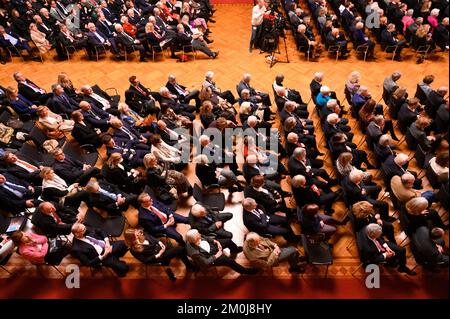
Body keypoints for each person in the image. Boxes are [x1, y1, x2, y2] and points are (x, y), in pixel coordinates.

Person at [124, 227, 196, 280]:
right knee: (181, 249)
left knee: (180, 252)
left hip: (162, 247)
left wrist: (159, 242)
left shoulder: (140, 233)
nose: (138, 235)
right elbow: (145, 260)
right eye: (136, 236)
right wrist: (158, 254)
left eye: (136, 233)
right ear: (131, 239)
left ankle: (189, 265)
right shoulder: (133, 250)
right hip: (159, 256)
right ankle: (190, 263)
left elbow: (151, 237)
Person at [185, 229, 257, 275]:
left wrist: (215, 241)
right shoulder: (194, 253)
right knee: (230, 261)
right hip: (211, 256)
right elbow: (206, 262)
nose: (200, 234)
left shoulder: (196, 236)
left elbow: (205, 237)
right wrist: (217, 255)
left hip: (212, 246)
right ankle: (244, 271)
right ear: (195, 238)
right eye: (198, 235)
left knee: (228, 241)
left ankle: (234, 249)